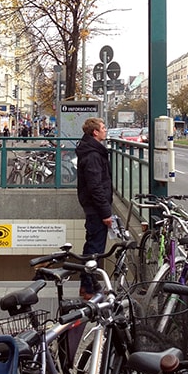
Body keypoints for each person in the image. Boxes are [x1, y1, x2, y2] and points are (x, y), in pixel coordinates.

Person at [74, 117, 113, 299]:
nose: (106, 130)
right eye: (103, 128)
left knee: (92, 246)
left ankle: (89, 284)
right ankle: (88, 287)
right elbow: (96, 186)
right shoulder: (93, 155)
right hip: (96, 209)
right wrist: (105, 212)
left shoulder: (91, 151)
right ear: (95, 132)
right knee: (94, 248)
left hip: (93, 207)